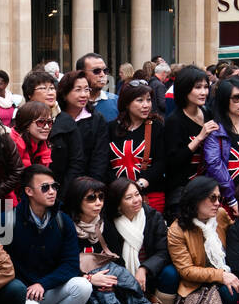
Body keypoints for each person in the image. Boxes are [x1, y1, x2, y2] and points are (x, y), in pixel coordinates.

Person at [5, 165, 93, 304]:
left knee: (83, 286)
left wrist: (43, 284)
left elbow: (70, 265)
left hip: (46, 290)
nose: (52, 192)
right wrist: (22, 288)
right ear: (28, 191)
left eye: (54, 186)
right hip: (19, 295)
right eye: (45, 187)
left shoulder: (63, 221)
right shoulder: (7, 220)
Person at [165, 175, 239, 304]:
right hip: (195, 285)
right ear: (196, 198)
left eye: (220, 198)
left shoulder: (220, 215)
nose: (218, 203)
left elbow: (237, 237)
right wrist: (221, 275)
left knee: (231, 291)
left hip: (223, 277)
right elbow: (187, 271)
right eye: (212, 198)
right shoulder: (177, 229)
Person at [103, 176, 175, 298]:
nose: (136, 200)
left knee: (171, 273)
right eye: (129, 198)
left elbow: (163, 251)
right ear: (118, 203)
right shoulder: (108, 223)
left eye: (137, 194)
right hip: (121, 274)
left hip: (150, 272)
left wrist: (144, 268)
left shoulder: (152, 216)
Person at [203, 76, 239, 217]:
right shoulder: (215, 131)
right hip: (225, 202)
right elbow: (215, 165)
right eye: (236, 98)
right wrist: (232, 199)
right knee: (228, 237)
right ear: (225, 100)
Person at [162, 65, 218, 210]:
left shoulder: (208, 113)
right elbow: (172, 161)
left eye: (206, 87)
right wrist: (199, 137)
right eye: (198, 87)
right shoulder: (174, 120)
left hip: (207, 186)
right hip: (182, 190)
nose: (204, 92)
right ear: (184, 90)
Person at [107, 80, 166, 213]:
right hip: (118, 195)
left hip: (150, 194)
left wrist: (141, 183)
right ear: (127, 103)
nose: (146, 105)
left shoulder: (156, 127)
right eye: (140, 100)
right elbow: (105, 163)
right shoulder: (111, 128)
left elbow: (161, 161)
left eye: (149, 100)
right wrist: (120, 188)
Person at [55, 69, 110, 183]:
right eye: (78, 90)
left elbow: (100, 158)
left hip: (88, 184)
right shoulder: (55, 118)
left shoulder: (96, 119)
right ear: (64, 93)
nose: (84, 95)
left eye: (86, 90)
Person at [10, 100, 54, 174]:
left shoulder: (44, 144)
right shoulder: (13, 143)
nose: (47, 127)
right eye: (41, 122)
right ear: (27, 124)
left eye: (49, 122)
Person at [76, 52, 118, 122]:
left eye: (105, 71)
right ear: (82, 74)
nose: (102, 74)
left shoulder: (116, 102)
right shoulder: (71, 104)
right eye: (96, 71)